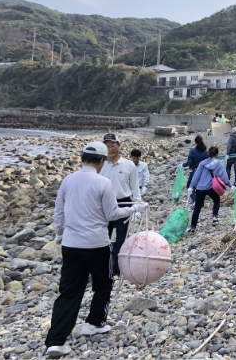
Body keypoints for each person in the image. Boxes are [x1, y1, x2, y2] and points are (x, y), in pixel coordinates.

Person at [44, 142, 148, 358]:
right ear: (101, 161)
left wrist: (59, 234)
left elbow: (59, 211)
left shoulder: (68, 180)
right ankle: (94, 322)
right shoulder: (103, 182)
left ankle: (55, 341)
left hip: (71, 245)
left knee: (69, 291)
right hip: (97, 244)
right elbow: (112, 214)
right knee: (103, 283)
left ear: (82, 158)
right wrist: (135, 208)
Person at [100, 133, 141, 277]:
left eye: (113, 145)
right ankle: (104, 266)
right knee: (103, 236)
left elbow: (135, 188)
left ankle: (118, 268)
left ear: (119, 145)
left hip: (123, 202)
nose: (110, 148)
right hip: (104, 203)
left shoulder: (129, 165)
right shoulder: (101, 164)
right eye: (107, 146)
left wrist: (136, 208)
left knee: (121, 238)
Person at [187, 146, 234, 232]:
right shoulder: (218, 163)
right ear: (217, 154)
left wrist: (191, 186)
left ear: (208, 153)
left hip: (200, 188)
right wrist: (230, 186)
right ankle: (214, 218)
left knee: (197, 207)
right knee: (216, 200)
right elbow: (224, 177)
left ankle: (193, 227)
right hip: (211, 188)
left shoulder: (202, 163)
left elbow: (196, 176)